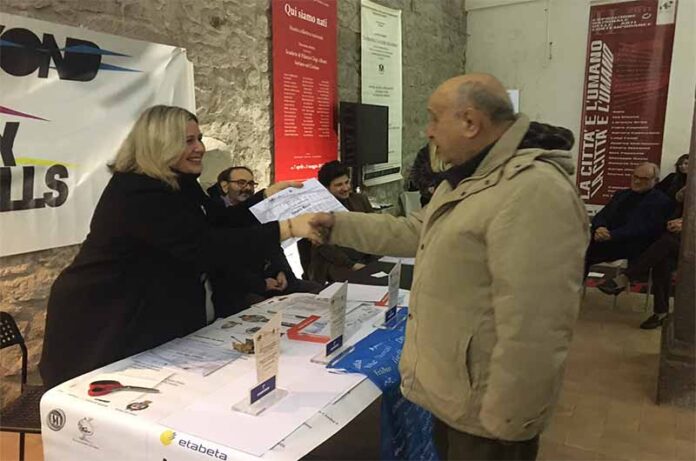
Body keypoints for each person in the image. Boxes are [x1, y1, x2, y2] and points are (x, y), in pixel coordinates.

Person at [306, 74, 589, 460]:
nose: (429, 130)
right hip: (457, 397)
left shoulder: (533, 190)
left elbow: (538, 322)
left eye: (435, 117)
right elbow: (414, 231)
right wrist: (336, 225)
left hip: (488, 415)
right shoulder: (466, 180)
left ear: (470, 122)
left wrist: (508, 422)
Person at [39, 105, 320, 388]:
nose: (200, 148)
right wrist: (285, 229)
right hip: (106, 317)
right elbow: (203, 246)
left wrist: (267, 197)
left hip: (148, 313)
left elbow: (219, 220)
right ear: (159, 144)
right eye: (188, 141)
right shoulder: (138, 191)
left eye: (199, 139)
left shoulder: (179, 182)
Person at [210, 166, 323, 315]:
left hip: (270, 281)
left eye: (251, 184)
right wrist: (262, 284)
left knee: (318, 292)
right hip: (240, 289)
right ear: (225, 186)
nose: (247, 188)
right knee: (269, 312)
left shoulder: (258, 213)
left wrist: (282, 271)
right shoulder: (216, 216)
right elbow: (226, 266)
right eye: (241, 183)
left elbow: (273, 246)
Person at [585, 162, 672, 276]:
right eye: (635, 177)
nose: (637, 181)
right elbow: (602, 215)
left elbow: (644, 228)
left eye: (644, 179)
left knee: (584, 252)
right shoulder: (621, 194)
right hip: (607, 239)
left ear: (656, 181)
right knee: (577, 248)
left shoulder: (661, 201)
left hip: (632, 244)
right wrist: (600, 227)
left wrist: (611, 235)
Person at [309, 160, 378, 283]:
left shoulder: (360, 200)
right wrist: (352, 265)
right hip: (335, 264)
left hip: (365, 257)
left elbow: (374, 228)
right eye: (339, 185)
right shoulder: (318, 211)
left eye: (347, 182)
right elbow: (325, 247)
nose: (346, 188)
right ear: (326, 188)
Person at [407, 141, 449, 206]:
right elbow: (416, 174)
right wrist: (429, 187)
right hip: (428, 200)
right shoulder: (424, 153)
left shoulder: (452, 153)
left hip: (449, 197)